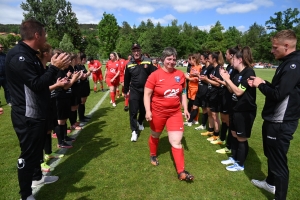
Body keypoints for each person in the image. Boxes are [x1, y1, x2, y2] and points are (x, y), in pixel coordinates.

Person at [5, 18, 70, 200]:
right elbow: (37, 84)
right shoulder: (19, 56)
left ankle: (37, 178)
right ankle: (25, 195)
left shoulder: (30, 54)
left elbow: (44, 78)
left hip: (37, 112)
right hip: (26, 114)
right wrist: (54, 68)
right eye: (44, 33)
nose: (45, 36)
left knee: (35, 152)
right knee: (28, 154)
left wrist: (56, 69)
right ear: (37, 35)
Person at [248, 30, 300, 199]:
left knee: (278, 162)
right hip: (273, 119)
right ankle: (270, 184)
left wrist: (260, 85)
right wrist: (263, 82)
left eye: (275, 47)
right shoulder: (287, 62)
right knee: (271, 154)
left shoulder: (294, 64)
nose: (272, 50)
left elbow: (278, 95)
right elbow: (279, 89)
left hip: (281, 121)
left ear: (286, 46)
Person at [144, 47, 194, 181]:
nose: (172, 62)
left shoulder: (180, 75)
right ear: (163, 60)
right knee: (155, 135)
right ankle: (153, 154)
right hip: (158, 112)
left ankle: (181, 171)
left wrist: (186, 109)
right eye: (169, 59)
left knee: (176, 141)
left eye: (174, 59)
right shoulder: (155, 75)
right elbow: (147, 94)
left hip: (175, 113)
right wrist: (148, 111)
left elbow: (183, 93)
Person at [219, 46, 257, 172]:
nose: (231, 60)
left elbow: (239, 91)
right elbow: (231, 89)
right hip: (235, 109)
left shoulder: (249, 72)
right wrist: (227, 80)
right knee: (234, 134)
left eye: (233, 58)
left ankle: (240, 164)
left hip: (245, 111)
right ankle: (234, 158)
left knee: (241, 138)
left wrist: (226, 79)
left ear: (240, 59)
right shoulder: (238, 74)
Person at [36, 43, 66, 172]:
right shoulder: (38, 69)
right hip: (41, 106)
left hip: (50, 102)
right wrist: (57, 85)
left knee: (48, 130)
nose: (54, 55)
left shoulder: (47, 69)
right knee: (41, 133)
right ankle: (40, 162)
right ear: (46, 54)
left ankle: (48, 153)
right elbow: (40, 89)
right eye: (51, 53)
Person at [124, 43, 157, 142]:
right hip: (134, 90)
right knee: (133, 111)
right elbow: (126, 79)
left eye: (138, 50)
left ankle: (140, 121)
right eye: (134, 51)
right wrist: (125, 90)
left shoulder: (148, 61)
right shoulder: (129, 64)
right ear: (132, 52)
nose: (136, 52)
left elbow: (155, 73)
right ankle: (134, 131)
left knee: (143, 110)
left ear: (140, 51)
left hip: (146, 91)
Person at [77, 53, 91, 122]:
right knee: (81, 102)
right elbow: (83, 77)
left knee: (83, 102)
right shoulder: (78, 66)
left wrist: (88, 73)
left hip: (85, 86)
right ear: (82, 59)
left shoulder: (83, 66)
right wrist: (89, 72)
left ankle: (83, 116)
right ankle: (81, 117)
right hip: (81, 87)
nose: (85, 60)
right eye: (84, 59)